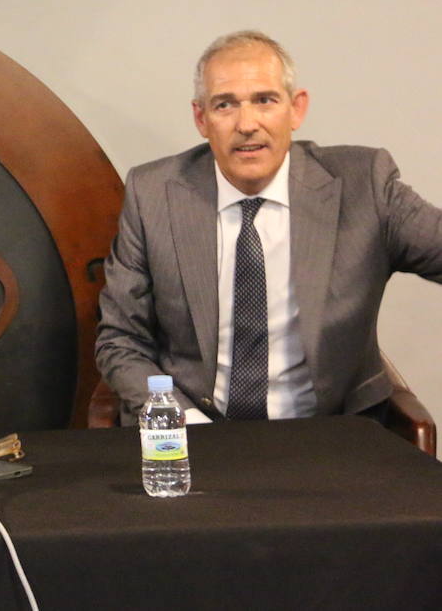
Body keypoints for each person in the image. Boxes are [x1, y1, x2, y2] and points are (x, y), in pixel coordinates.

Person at [96, 30, 442, 423]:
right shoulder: (154, 194)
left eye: (264, 100)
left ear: (296, 109)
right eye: (225, 105)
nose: (247, 124)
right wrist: (185, 424)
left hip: (331, 436)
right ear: (201, 118)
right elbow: (120, 340)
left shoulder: (365, 186)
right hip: (194, 433)